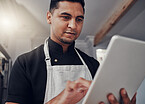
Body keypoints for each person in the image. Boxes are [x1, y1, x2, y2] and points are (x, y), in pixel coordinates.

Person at [5, 0, 136, 104]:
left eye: (79, 19)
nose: (73, 26)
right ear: (49, 17)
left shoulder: (93, 65)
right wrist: (60, 100)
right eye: (66, 17)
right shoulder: (25, 63)